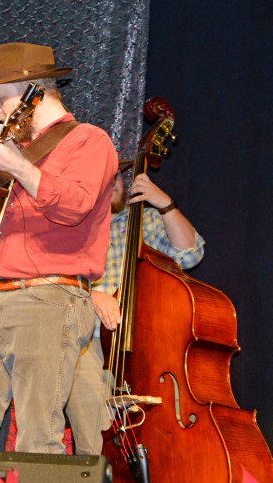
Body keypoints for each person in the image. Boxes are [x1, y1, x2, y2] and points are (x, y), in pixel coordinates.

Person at [0, 42, 118, 454]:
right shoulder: (14, 150)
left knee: (37, 438)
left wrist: (19, 167)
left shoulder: (88, 141)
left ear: (32, 93)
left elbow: (75, 207)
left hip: (51, 296)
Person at [65, 166, 205, 455]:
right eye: (101, 178)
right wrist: (91, 296)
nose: (113, 184)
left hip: (148, 350)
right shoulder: (69, 228)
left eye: (115, 177)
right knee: (96, 444)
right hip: (87, 345)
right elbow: (48, 281)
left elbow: (191, 255)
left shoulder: (147, 220)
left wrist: (165, 204)